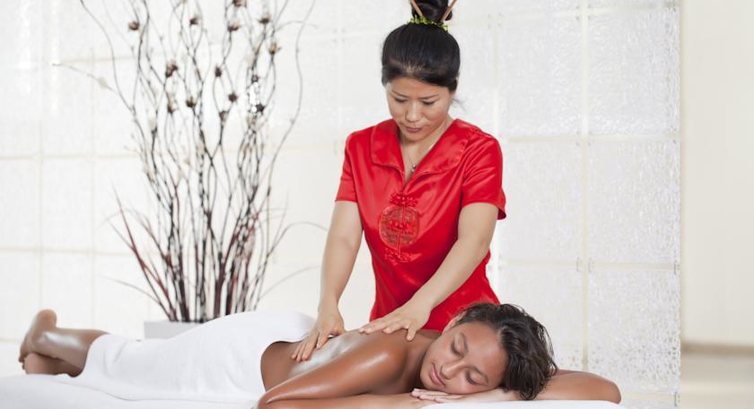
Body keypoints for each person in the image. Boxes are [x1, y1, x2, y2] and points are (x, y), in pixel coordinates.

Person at [294, 0, 510, 362]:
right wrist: (328, 304)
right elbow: (344, 236)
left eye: (428, 102)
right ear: (385, 86)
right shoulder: (361, 147)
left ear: (452, 90)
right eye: (399, 99)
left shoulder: (479, 150)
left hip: (466, 332)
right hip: (392, 329)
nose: (412, 115)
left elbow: (474, 241)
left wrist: (420, 305)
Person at [17, 304, 621, 408]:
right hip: (242, 358)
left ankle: (53, 353)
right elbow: (277, 404)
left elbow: (604, 390)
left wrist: (504, 387)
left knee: (135, 356)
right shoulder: (392, 354)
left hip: (300, 343)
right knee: (130, 360)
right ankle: (49, 334)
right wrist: (398, 407)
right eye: (457, 347)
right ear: (454, 322)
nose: (449, 370)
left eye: (472, 376)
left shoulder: (479, 367)